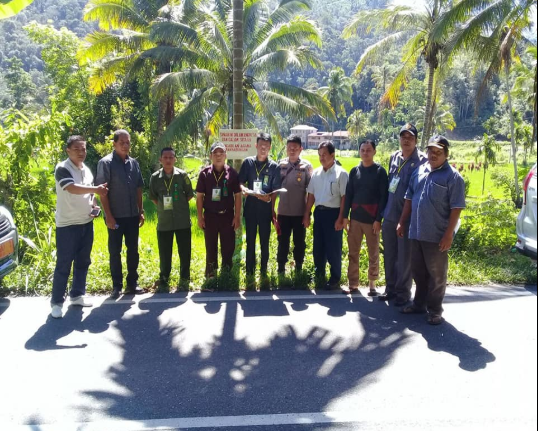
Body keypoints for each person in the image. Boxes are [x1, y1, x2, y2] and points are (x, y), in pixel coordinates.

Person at [397, 135, 466, 325]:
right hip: (416, 232)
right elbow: (409, 198)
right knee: (418, 273)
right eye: (431, 151)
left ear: (446, 154)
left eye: (438, 152)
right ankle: (419, 304)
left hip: (436, 236)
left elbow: (456, 208)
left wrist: (448, 235)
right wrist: (402, 222)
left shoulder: (453, 177)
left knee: (436, 276)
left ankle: (435, 311)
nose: (433, 155)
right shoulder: (419, 171)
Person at [50, 136, 109, 319]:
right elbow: (72, 188)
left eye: (83, 149)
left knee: (83, 261)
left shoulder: (86, 169)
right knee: (64, 264)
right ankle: (56, 303)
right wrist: (96, 190)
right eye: (77, 149)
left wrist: (94, 205)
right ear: (68, 150)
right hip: (67, 225)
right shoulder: (62, 168)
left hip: (86, 223)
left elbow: (89, 193)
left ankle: (77, 295)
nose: (81, 152)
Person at [378, 123, 427, 305]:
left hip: (407, 218)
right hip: (390, 214)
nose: (406, 140)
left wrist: (407, 219)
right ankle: (390, 288)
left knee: (404, 257)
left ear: (416, 140)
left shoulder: (422, 161)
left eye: (410, 137)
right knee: (389, 254)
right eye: (403, 137)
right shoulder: (394, 157)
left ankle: (403, 293)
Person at [96, 129, 145, 299]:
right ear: (114, 144)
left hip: (132, 216)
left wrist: (140, 211)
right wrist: (108, 216)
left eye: (127, 142)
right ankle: (116, 286)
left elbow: (138, 188)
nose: (125, 145)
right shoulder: (106, 163)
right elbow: (102, 192)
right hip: (115, 216)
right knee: (115, 251)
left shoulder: (134, 163)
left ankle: (132, 283)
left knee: (133, 250)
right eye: (121, 142)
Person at [342, 140, 388, 296]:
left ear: (374, 151)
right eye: (362, 150)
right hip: (355, 218)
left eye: (368, 150)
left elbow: (383, 197)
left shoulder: (380, 172)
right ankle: (353, 284)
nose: (365, 153)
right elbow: (349, 195)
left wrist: (378, 219)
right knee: (353, 252)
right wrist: (345, 217)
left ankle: (372, 284)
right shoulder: (354, 171)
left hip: (372, 220)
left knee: (373, 253)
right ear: (359, 151)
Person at [303, 141, 349, 290]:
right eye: (320, 155)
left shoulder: (341, 173)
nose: (321, 158)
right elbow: (311, 195)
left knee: (333, 248)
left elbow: (344, 198)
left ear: (332, 155)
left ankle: (335, 277)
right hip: (319, 213)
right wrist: (307, 214)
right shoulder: (316, 173)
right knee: (318, 247)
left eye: (324, 154)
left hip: (334, 214)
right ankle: (319, 274)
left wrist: (341, 218)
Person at [149, 148, 195, 291]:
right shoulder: (155, 178)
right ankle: (164, 278)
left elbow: (189, 194)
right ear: (160, 160)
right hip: (164, 222)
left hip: (182, 220)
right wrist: (164, 207)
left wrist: (178, 205)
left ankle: (185, 279)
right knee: (164, 253)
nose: (168, 160)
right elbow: (154, 198)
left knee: (185, 252)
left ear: (175, 159)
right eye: (165, 157)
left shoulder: (182, 176)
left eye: (171, 157)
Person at [196, 142, 242, 279]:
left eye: (221, 153)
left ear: (225, 155)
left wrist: (237, 216)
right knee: (211, 246)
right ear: (211, 156)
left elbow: (238, 196)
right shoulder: (204, 174)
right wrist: (200, 217)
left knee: (228, 246)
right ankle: (211, 274)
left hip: (227, 215)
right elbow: (199, 197)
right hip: (210, 216)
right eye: (215, 153)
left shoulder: (232, 173)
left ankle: (226, 274)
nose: (218, 156)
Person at [238, 132, 281, 277]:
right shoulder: (248, 163)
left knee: (264, 242)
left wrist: (269, 200)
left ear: (270, 147)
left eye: (266, 146)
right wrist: (243, 189)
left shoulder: (274, 167)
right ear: (256, 146)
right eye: (261, 145)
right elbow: (240, 182)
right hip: (250, 209)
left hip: (265, 211)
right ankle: (249, 273)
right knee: (250, 241)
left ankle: (263, 272)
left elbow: (275, 191)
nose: (263, 148)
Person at [276, 135, 313, 275]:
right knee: (282, 242)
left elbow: (311, 192)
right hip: (283, 212)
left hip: (300, 213)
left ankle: (298, 268)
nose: (292, 150)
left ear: (301, 149)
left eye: (295, 148)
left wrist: (307, 214)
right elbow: (274, 189)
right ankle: (281, 269)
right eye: (289, 148)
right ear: (286, 149)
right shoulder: (280, 165)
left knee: (299, 242)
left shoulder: (307, 166)